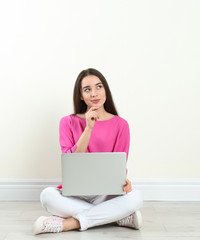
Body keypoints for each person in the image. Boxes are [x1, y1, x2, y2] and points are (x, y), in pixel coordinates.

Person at [33, 68, 143, 234]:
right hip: (75, 193)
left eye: (99, 87)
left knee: (136, 197)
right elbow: (72, 162)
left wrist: (123, 181)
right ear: (80, 96)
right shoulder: (67, 122)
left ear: (106, 90)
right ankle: (116, 216)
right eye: (87, 89)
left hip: (106, 194)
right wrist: (88, 128)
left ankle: (69, 224)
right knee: (47, 196)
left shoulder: (121, 125)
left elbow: (119, 165)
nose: (94, 93)